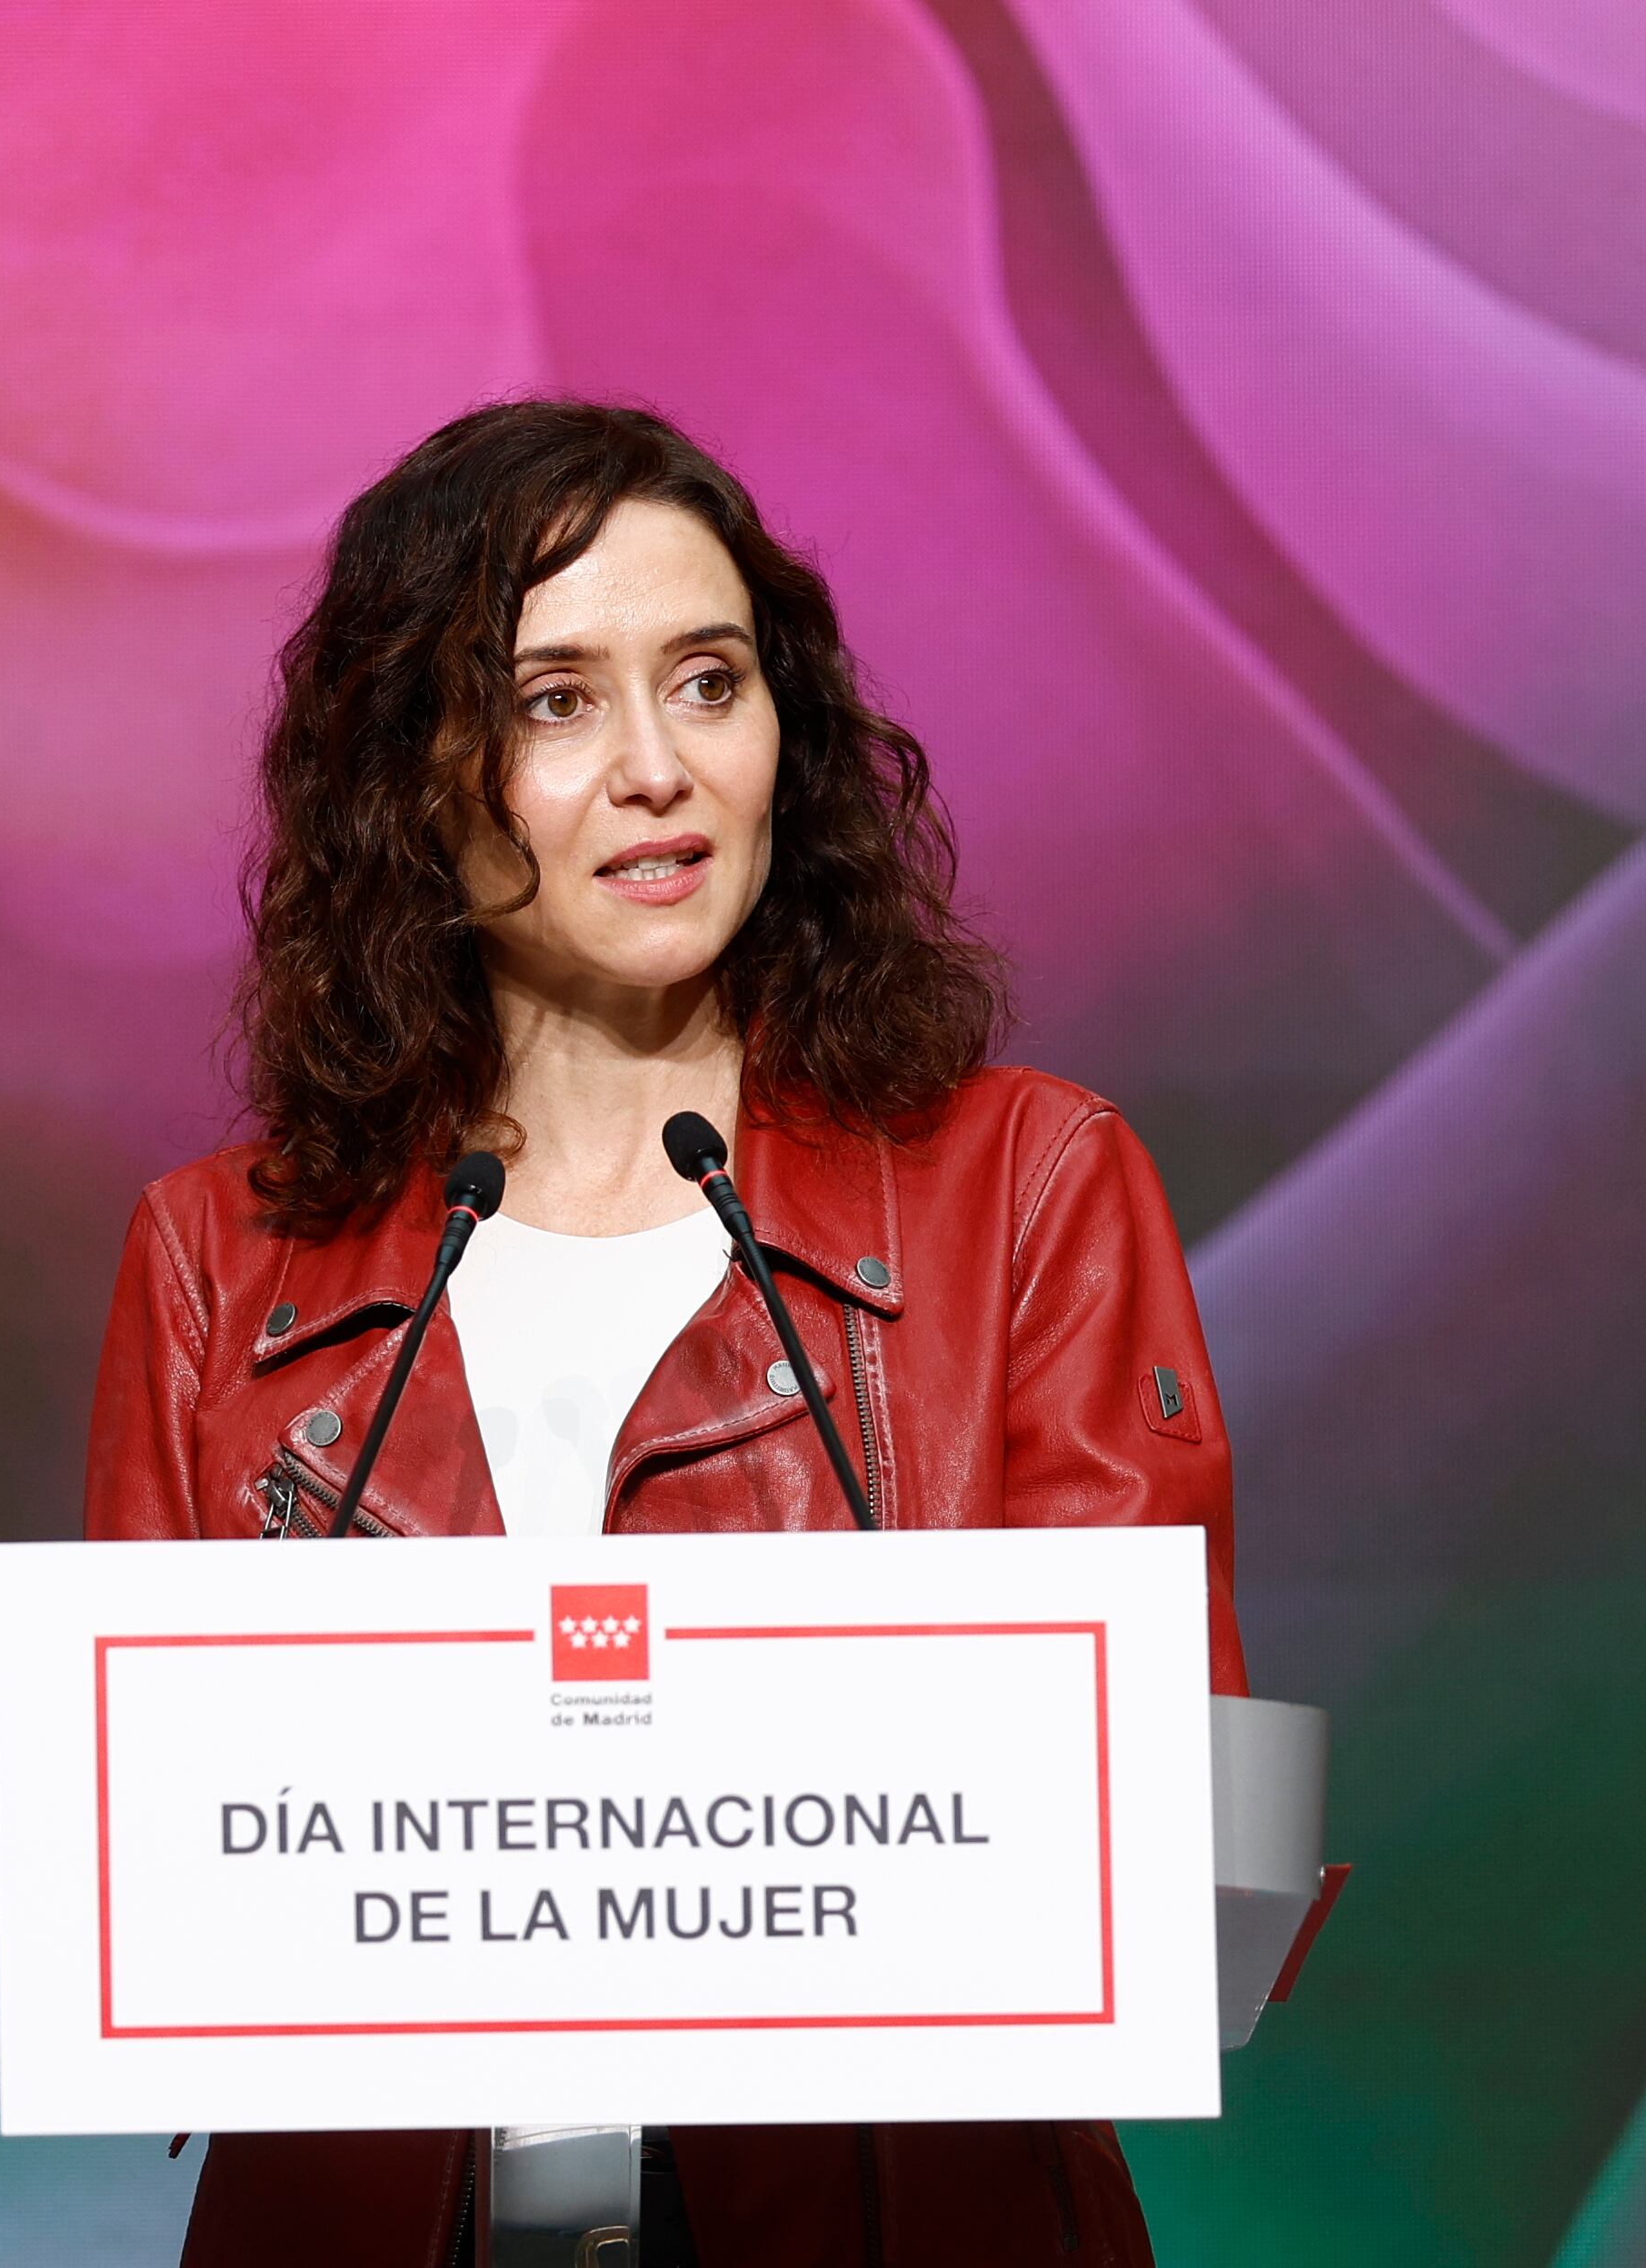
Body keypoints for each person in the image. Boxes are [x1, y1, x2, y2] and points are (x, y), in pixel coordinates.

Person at [85, 400, 1245, 2268]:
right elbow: (150, 1867)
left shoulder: (1031, 1186)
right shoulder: (218, 1262)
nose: (655, 768)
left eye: (709, 684)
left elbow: (1149, 1814)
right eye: (555, 701)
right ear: (413, 771)